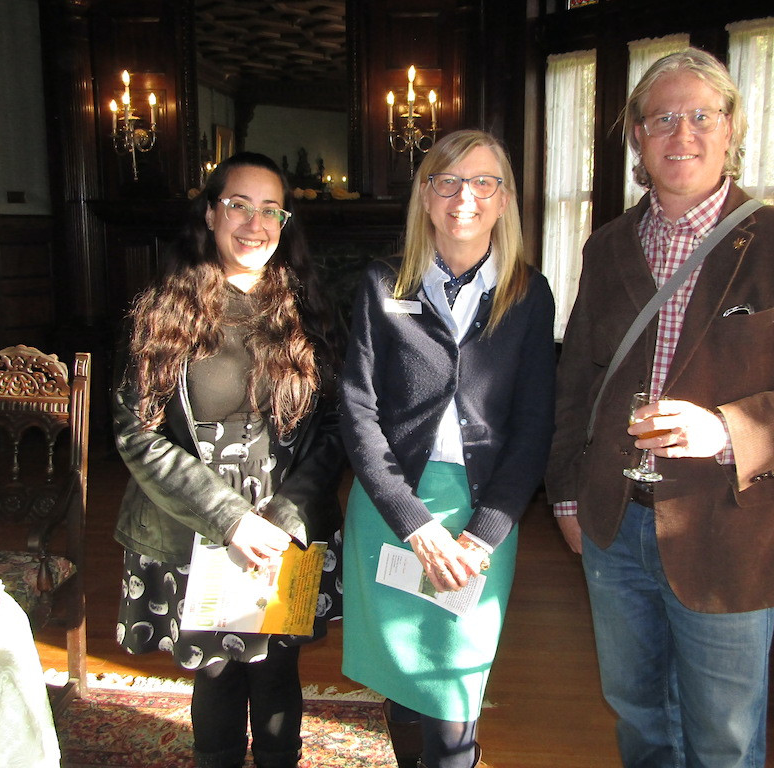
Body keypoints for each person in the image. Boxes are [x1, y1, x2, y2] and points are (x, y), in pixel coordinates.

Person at [545, 48, 774, 768]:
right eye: (663, 117)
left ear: (733, 129)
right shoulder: (607, 248)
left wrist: (727, 429)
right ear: (637, 136)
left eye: (701, 114)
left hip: (729, 531)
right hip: (612, 525)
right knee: (637, 715)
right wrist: (568, 498)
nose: (682, 133)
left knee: (723, 738)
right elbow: (575, 384)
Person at [112, 151, 345, 768]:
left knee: (277, 668)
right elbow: (136, 434)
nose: (254, 221)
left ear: (285, 222)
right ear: (211, 213)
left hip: (286, 520)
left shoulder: (310, 310)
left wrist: (287, 514)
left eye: (271, 209)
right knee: (216, 671)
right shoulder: (161, 312)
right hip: (197, 520)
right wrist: (230, 519)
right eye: (238, 204)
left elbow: (337, 426)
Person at [340, 129, 556, 768]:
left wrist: (482, 534)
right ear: (426, 197)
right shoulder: (383, 285)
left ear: (505, 200)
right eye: (448, 181)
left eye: (484, 181)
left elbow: (534, 425)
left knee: (454, 685)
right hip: (394, 511)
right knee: (406, 679)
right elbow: (357, 410)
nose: (466, 196)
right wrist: (414, 524)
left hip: (481, 514)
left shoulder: (528, 293)